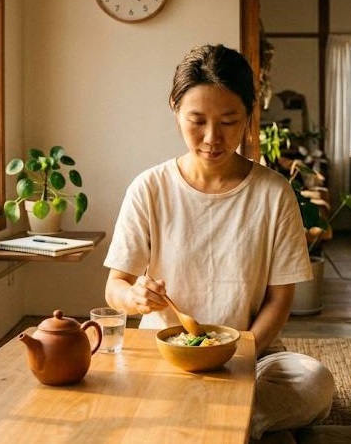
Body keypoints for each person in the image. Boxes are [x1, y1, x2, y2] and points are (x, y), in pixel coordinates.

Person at [103, 44, 334, 444]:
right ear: (174, 108)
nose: (212, 138)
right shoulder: (149, 188)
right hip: (167, 357)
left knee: (314, 381)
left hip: (251, 357)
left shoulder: (273, 193)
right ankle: (231, 422)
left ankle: (220, 423)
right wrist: (135, 297)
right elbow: (114, 288)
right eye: (197, 121)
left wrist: (241, 352)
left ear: (248, 116)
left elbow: (281, 299)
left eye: (229, 121)